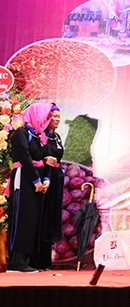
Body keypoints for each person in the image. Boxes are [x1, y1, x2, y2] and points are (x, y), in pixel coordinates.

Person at [5, 101, 52, 273]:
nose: (46, 120)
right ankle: (16, 261)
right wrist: (36, 181)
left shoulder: (41, 136)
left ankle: (27, 259)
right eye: (45, 116)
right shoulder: (21, 133)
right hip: (24, 177)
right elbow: (25, 157)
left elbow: (48, 159)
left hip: (37, 179)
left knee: (32, 218)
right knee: (22, 217)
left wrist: (46, 179)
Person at [32, 103, 64, 271]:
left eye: (59, 116)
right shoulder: (40, 135)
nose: (57, 119)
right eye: (54, 116)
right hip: (44, 179)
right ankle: (36, 260)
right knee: (42, 217)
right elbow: (36, 157)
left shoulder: (56, 136)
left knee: (52, 217)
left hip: (57, 180)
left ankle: (46, 261)